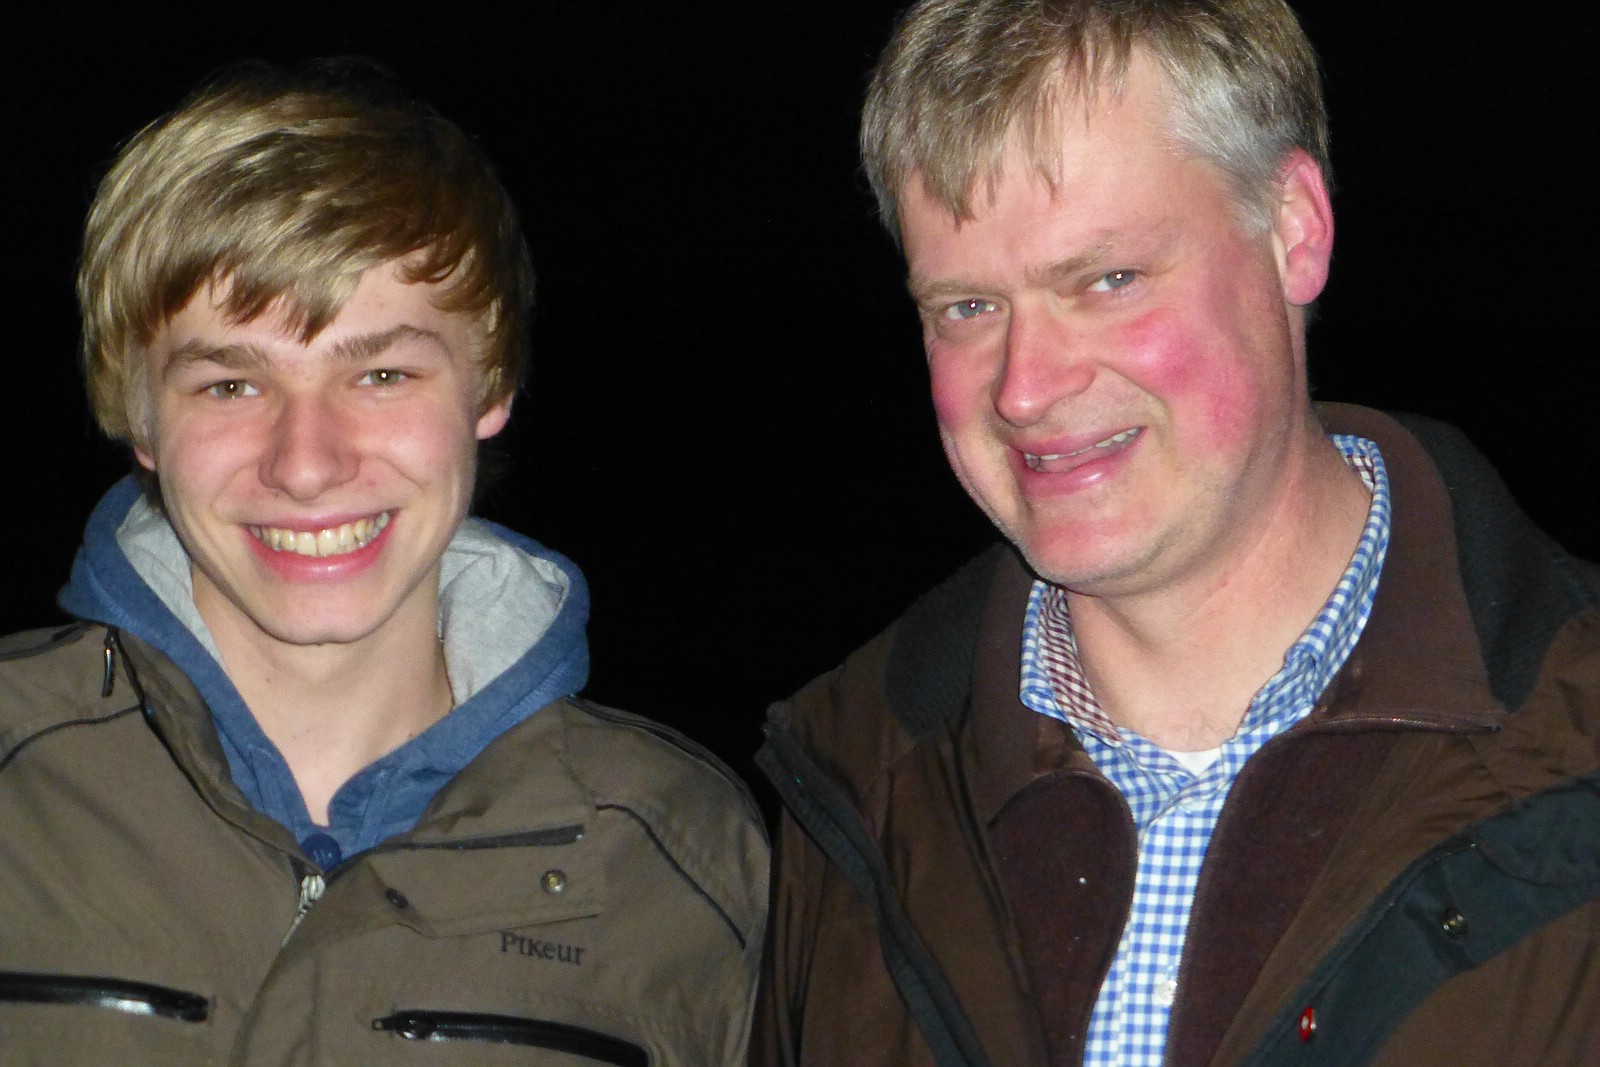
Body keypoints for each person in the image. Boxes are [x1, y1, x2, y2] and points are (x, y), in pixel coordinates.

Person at [754, 2, 1600, 1065]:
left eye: (1106, 280)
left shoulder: (1572, 742)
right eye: (967, 307)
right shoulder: (853, 791)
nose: (1024, 388)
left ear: (1292, 230)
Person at [0, 59, 765, 1065]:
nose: (306, 464)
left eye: (382, 373)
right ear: (139, 417)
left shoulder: (685, 855)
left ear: (489, 387)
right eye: (231, 385)